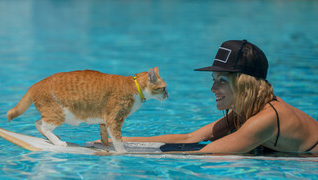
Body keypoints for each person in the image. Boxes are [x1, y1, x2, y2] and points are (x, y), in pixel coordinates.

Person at [107, 40, 318, 153]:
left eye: (223, 81)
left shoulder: (265, 119)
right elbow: (191, 138)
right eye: (213, 79)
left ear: (245, 85)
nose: (213, 89)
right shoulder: (249, 109)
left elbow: (204, 153)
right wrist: (121, 139)